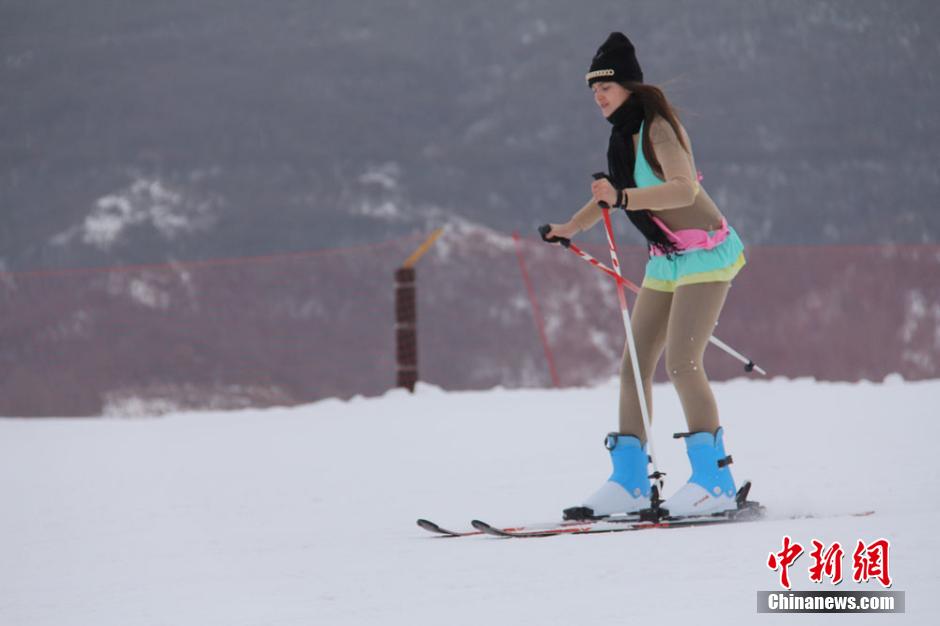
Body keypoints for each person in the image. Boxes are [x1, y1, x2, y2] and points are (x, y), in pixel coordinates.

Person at [543, 32, 746, 519]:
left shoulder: (658, 129)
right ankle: (631, 482)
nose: (598, 95)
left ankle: (714, 481)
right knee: (634, 364)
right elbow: (610, 194)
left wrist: (624, 199)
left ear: (629, 86)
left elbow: (680, 192)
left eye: (605, 85)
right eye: (593, 88)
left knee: (682, 362)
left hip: (704, 255)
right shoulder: (622, 135)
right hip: (667, 258)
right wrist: (571, 227)